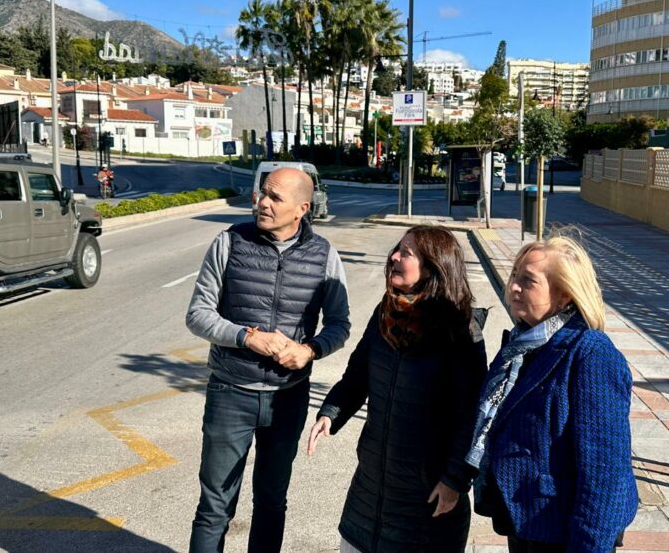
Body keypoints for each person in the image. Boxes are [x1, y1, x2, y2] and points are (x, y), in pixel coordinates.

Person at [185, 167, 351, 552]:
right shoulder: (229, 242)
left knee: (272, 503)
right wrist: (246, 338)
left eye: (275, 197)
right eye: (262, 193)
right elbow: (198, 314)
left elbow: (340, 324)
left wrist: (309, 350)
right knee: (214, 506)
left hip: (288, 397)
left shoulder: (323, 254)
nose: (263, 202)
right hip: (231, 392)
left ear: (302, 209)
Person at [307, 225, 487, 552]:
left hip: (427, 499)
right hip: (371, 487)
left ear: (433, 267)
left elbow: (473, 417)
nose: (394, 257)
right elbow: (358, 376)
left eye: (406, 253)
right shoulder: (385, 314)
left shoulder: (460, 331)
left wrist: (454, 481)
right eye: (397, 249)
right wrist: (331, 413)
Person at [467, 235, 636, 553]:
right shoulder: (522, 344)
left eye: (527, 280)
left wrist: (589, 547)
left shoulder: (590, 353)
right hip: (526, 522)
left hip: (564, 533)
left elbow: (605, 474)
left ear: (564, 296)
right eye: (515, 275)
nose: (513, 286)